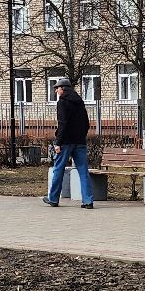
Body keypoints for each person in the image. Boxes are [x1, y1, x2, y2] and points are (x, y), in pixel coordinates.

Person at [44, 77, 94, 209]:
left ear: (63, 89)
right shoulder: (79, 102)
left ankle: (53, 199)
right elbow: (86, 123)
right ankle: (88, 201)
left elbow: (62, 124)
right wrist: (81, 136)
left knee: (58, 170)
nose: (56, 92)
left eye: (57, 89)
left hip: (65, 142)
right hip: (80, 142)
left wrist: (58, 142)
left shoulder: (62, 102)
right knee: (83, 171)